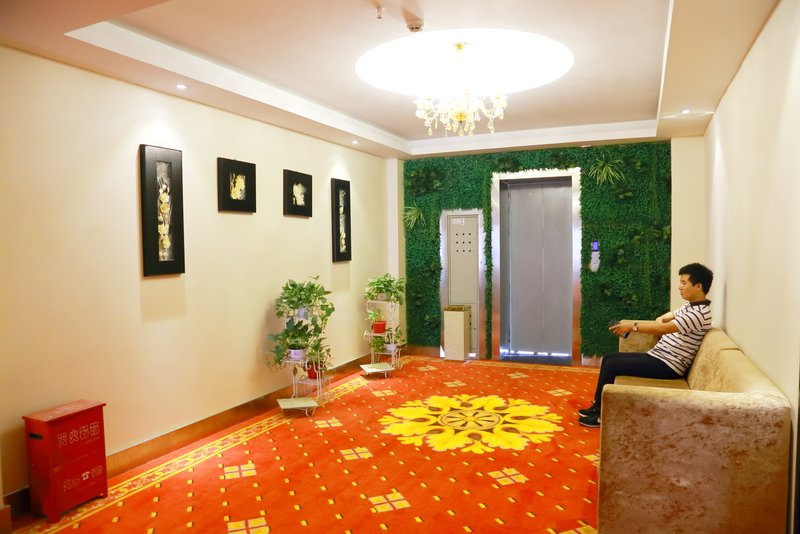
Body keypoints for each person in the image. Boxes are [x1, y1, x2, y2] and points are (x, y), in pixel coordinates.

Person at [578, 262, 714, 428]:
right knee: (609, 359)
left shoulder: (699, 314)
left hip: (668, 366)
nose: (680, 287)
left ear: (698, 286)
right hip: (659, 356)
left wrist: (633, 326)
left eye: (684, 283)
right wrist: (660, 324)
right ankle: (597, 406)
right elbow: (663, 319)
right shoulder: (690, 307)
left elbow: (663, 328)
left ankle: (600, 415)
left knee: (612, 364)